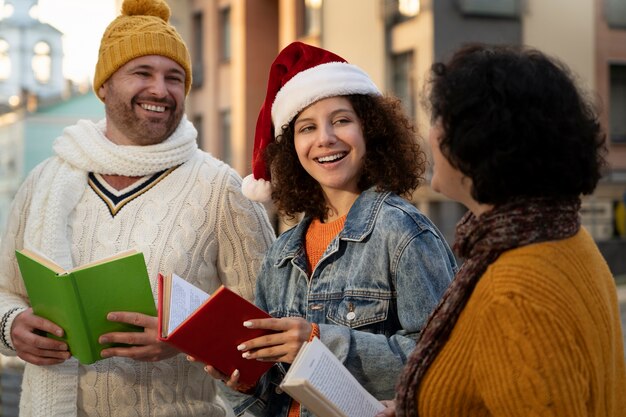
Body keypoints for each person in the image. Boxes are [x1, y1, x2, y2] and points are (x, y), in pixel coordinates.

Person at [0, 0, 275, 416]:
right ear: (105, 85)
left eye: (175, 77)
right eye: (141, 73)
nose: (160, 90)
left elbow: (270, 323)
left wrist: (186, 339)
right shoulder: (45, 181)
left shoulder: (221, 187)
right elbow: (5, 290)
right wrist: (12, 326)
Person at [203, 41, 457, 417]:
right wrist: (244, 381)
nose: (325, 138)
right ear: (291, 148)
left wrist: (319, 341)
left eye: (341, 120)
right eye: (307, 127)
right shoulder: (281, 254)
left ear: (369, 130)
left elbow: (444, 362)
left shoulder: (403, 232)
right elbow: (271, 397)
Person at [380, 44, 626, 417]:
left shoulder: (512, 293)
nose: (429, 134)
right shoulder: (565, 237)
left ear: (477, 144)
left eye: (439, 120)